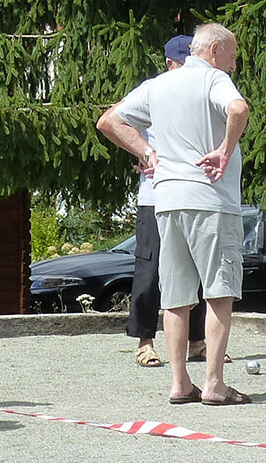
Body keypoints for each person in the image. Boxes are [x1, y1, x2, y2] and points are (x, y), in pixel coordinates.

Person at [95, 22, 252, 405]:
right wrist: (225, 150)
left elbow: (108, 121)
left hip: (166, 201)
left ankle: (180, 383)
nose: (233, 66)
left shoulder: (157, 85)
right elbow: (238, 108)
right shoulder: (213, 79)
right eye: (232, 57)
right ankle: (214, 384)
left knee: (176, 297)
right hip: (210, 200)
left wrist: (147, 154)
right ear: (214, 51)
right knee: (219, 292)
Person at [125, 35, 208, 368]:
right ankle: (145, 342)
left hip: (192, 194)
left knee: (197, 270)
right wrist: (144, 152)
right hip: (155, 196)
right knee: (150, 270)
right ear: (170, 64)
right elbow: (115, 121)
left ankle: (197, 342)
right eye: (181, 64)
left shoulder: (198, 93)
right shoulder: (154, 90)